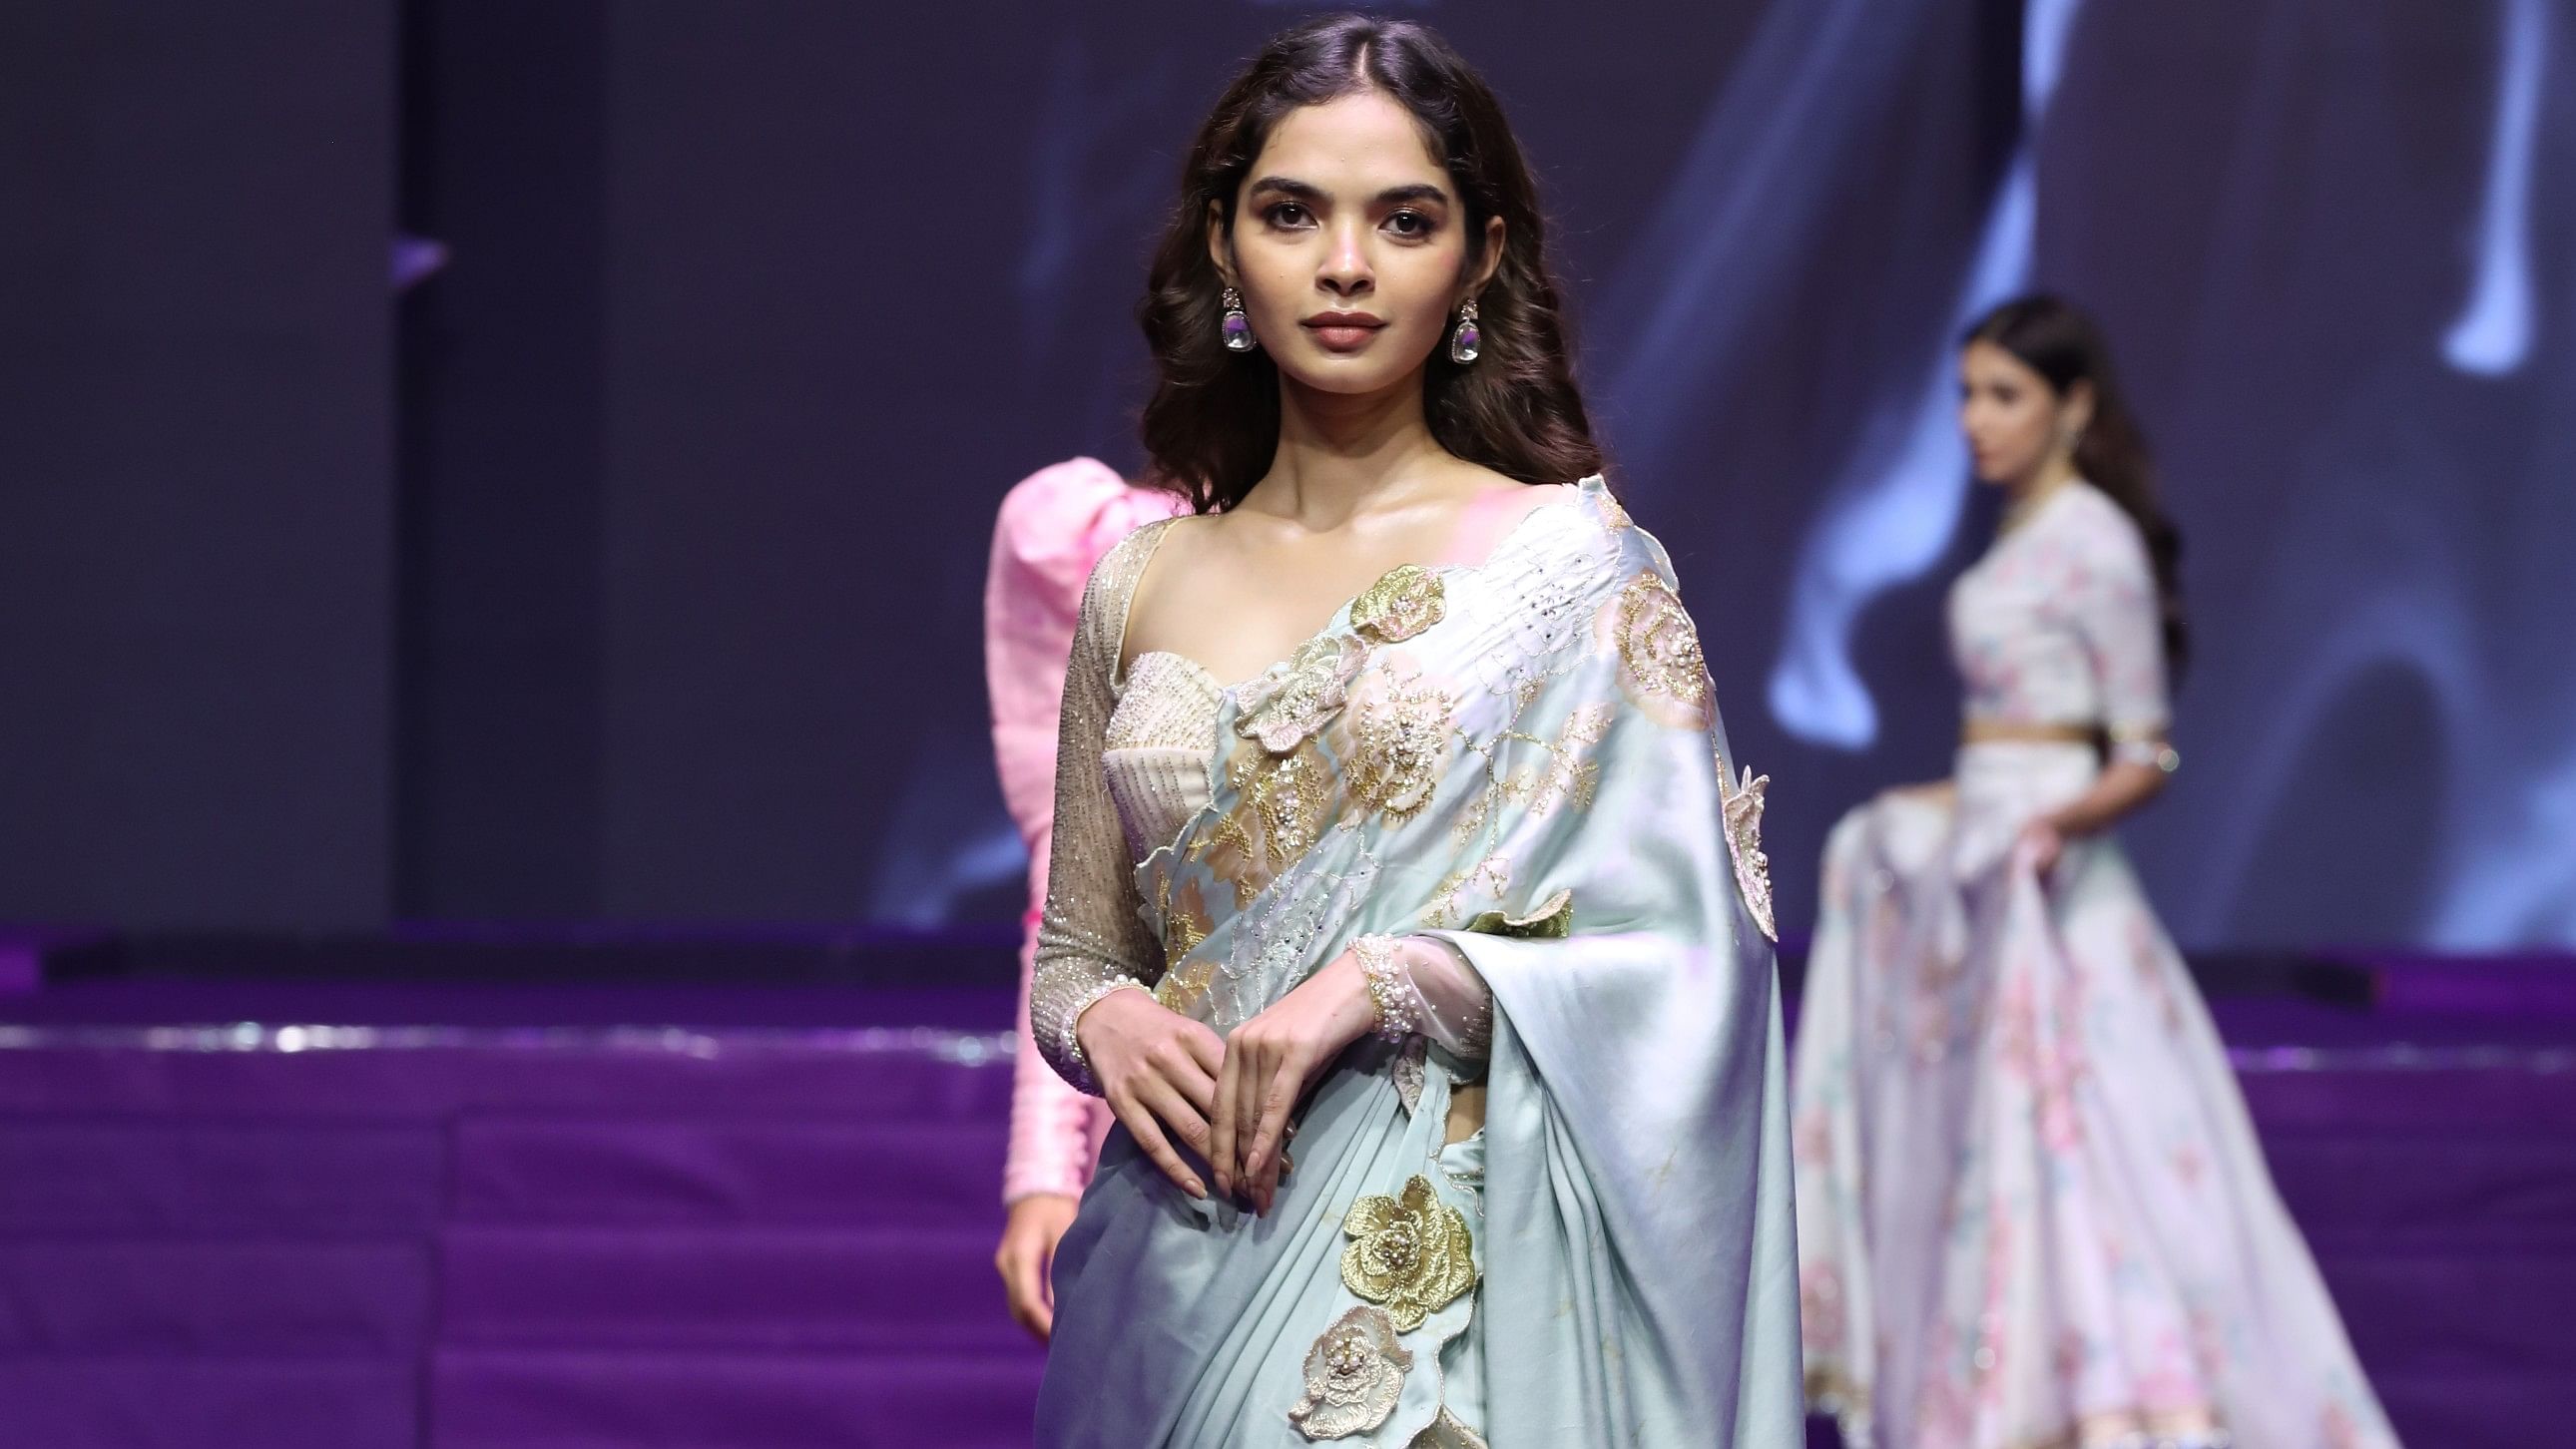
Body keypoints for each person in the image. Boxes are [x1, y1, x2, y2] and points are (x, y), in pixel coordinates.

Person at [1025, 15, 1800, 1446]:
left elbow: (1690, 960)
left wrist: (1381, 980)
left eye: (1403, 219)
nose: (1343, 264)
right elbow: (1079, 950)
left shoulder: (1572, 572)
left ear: (1480, 261)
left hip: (1445, 1296)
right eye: (1290, 212)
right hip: (1170, 1273)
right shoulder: (1142, 579)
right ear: (1219, 243)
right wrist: (1105, 1020)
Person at [1791, 295, 2398, 1449]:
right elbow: (1995, 752)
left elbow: (2145, 750)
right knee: (1997, 1149)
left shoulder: (2095, 540)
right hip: (1978, 874)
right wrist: (1899, 818)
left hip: (2059, 896)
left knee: (2101, 1154)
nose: (1974, 421)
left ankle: (2115, 1410)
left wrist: (2050, 830)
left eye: (2003, 395)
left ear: (2072, 407)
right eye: (1965, 393)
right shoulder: (2018, 534)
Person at [985, 457, 1186, 1341]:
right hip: (1179, 1118)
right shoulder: (1105, 544)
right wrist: (1042, 1174)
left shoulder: (1494, 538)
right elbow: (1073, 907)